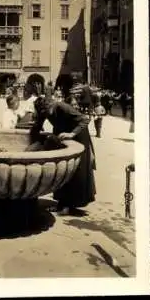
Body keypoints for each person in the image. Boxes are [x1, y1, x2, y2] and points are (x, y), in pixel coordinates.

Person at [26, 88, 96, 216]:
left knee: (75, 171)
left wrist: (71, 134)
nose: (47, 115)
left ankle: (69, 206)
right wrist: (29, 144)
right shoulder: (44, 110)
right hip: (63, 133)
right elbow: (38, 125)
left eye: (48, 112)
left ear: (50, 105)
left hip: (78, 135)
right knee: (62, 168)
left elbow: (85, 120)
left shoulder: (62, 106)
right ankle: (61, 203)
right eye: (44, 113)